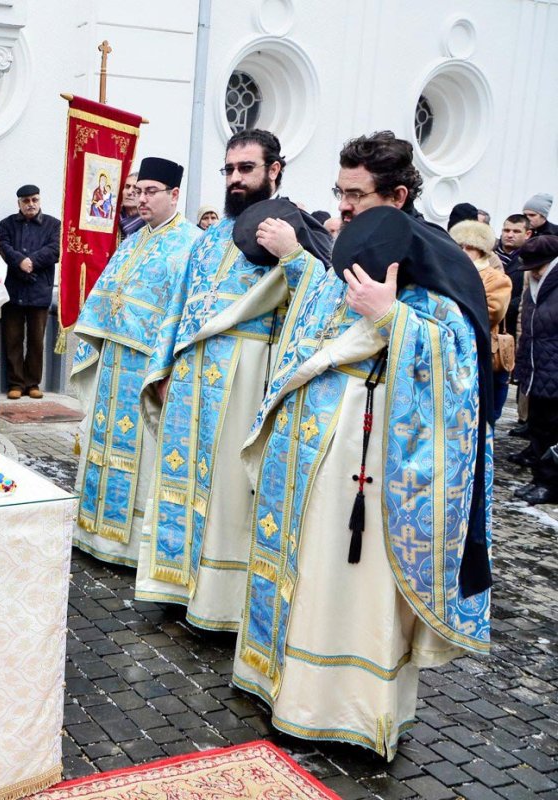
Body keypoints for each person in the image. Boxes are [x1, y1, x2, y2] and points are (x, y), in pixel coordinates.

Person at [234, 132, 492, 760]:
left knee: (348, 580)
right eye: (340, 193)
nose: (343, 207)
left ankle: (344, 708)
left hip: (370, 458)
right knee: (307, 566)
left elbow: (461, 373)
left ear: (398, 195)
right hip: (312, 447)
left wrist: (391, 317)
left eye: (357, 195)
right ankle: (288, 690)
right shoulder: (351, 246)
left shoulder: (434, 261)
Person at [136, 129, 324, 630]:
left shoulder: (294, 230)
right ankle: (176, 585)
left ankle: (219, 603)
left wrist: (293, 255)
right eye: (229, 169)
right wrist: (163, 367)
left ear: (274, 170)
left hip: (247, 376)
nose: (236, 178)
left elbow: (318, 305)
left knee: (228, 492)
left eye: (247, 168)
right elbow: (179, 304)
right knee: (183, 477)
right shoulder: (212, 236)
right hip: (192, 376)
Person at [70, 157, 199, 566]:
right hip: (113, 362)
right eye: (138, 191)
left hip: (147, 368)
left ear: (174, 194)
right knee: (102, 441)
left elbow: (186, 312)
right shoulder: (133, 240)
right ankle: (90, 530)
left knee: (140, 451)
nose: (140, 199)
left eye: (150, 192)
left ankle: (127, 547)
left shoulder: (191, 243)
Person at [0, 184, 61, 400]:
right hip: (13, 290)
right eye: (26, 201)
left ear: (39, 200)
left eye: (34, 200)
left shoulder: (53, 224)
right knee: (12, 339)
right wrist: (19, 261)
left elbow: (55, 249)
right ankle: (15, 383)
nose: (31, 204)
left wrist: (31, 261)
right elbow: (2, 245)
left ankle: (32, 383)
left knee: (36, 341)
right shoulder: (7, 224)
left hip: (39, 290)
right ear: (19, 204)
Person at [510, 235, 558, 502]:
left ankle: (551, 484)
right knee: (539, 428)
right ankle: (540, 479)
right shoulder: (535, 285)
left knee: (553, 430)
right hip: (536, 366)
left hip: (553, 369)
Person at [451, 220, 511, 420]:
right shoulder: (450, 271)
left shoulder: (495, 278)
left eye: (470, 247)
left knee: (483, 412)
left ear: (482, 250)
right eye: (459, 246)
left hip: (481, 349)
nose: (463, 251)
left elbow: (492, 312)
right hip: (453, 349)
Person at [498, 214, 535, 436]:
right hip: (497, 328)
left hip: (513, 325)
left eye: (516, 231)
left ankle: (525, 420)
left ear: (527, 234)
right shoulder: (493, 255)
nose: (509, 235)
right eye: (506, 230)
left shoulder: (527, 260)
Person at [118, 172, 144, 239]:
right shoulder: (113, 220)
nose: (129, 192)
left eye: (135, 188)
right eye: (127, 187)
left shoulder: (151, 225)